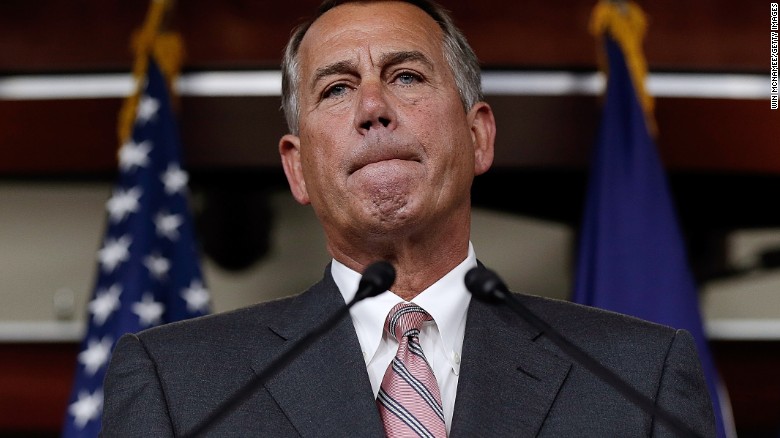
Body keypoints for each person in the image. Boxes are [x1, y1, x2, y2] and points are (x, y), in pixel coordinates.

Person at [102, 1, 716, 436]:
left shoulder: (639, 377)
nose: (373, 107)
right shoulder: (178, 387)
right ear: (296, 169)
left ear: (479, 137)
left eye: (406, 76)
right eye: (336, 89)